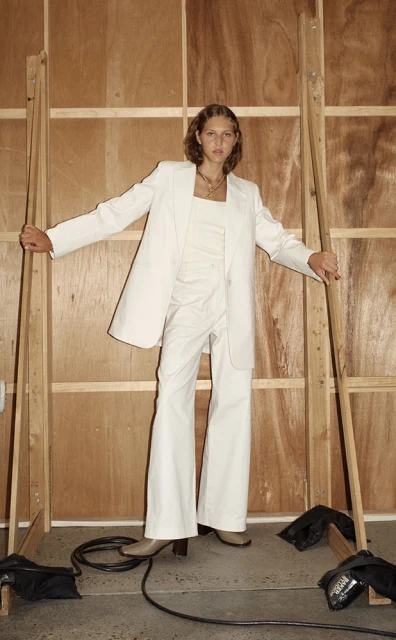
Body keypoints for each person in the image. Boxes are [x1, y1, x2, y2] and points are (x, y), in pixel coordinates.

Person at [20, 104, 340, 559]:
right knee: (171, 401)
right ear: (198, 137)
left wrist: (311, 258)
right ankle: (165, 524)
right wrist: (56, 238)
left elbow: (276, 240)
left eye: (227, 134)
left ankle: (224, 516)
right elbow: (115, 213)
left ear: (235, 140)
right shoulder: (169, 176)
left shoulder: (246, 192)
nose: (219, 142)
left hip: (231, 308)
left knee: (234, 403)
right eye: (211, 133)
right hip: (184, 304)